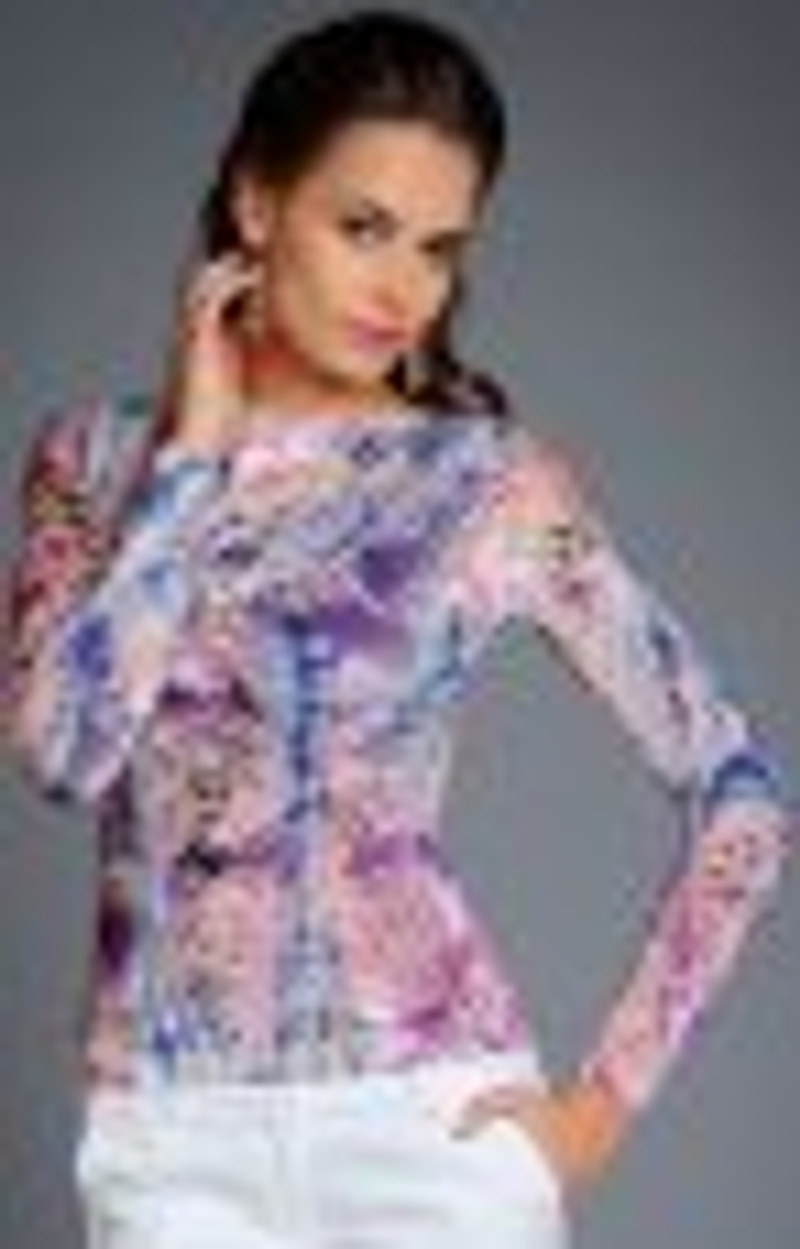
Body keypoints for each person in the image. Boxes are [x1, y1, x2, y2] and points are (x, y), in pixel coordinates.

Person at [5, 8, 793, 1249]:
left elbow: (739, 792)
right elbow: (63, 753)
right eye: (362, 227)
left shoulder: (484, 482)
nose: (401, 290)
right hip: (167, 1135)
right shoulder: (89, 464)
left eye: (437, 248)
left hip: (428, 1130)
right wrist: (191, 466)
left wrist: (595, 1111)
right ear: (257, 203)